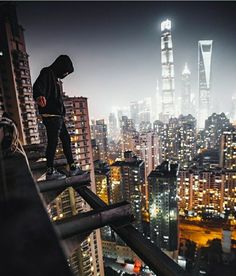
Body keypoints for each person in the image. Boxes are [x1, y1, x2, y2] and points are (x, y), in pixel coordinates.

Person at [33, 55, 82, 180]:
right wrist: (39, 95)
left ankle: (72, 167)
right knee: (53, 142)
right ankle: (50, 172)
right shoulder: (47, 72)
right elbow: (38, 85)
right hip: (51, 115)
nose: (65, 74)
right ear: (61, 66)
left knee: (66, 140)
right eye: (66, 71)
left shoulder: (54, 78)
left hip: (58, 116)